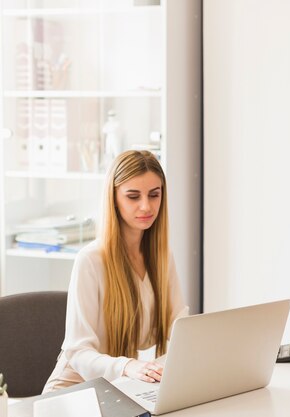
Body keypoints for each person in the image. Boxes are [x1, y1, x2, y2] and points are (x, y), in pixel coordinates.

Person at [43, 150, 188, 392]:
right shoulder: (90, 260)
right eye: (133, 196)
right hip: (74, 391)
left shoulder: (163, 257)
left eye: (154, 195)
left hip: (119, 387)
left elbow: (180, 326)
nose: (146, 206)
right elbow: (78, 352)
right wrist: (129, 366)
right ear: (113, 198)